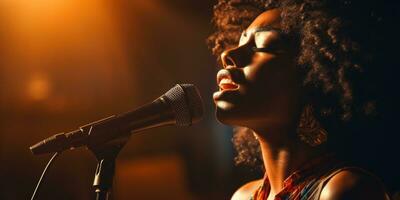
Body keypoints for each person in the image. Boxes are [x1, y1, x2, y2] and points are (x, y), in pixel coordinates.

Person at [208, 0, 395, 199]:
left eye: (262, 45)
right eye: (240, 42)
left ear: (313, 78)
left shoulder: (346, 190)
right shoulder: (243, 196)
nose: (227, 54)